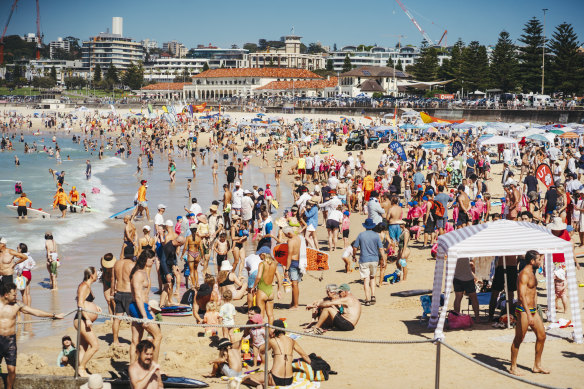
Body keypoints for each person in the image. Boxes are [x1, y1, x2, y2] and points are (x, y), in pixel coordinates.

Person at [0, 282, 63, 388]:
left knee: (12, 370)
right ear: (6, 295)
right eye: (14, 294)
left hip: (10, 341)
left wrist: (53, 315)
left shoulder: (17, 305)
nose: (17, 296)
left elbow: (35, 312)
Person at [510, 250, 549, 376]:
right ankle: (513, 367)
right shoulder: (524, 274)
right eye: (539, 260)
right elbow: (521, 296)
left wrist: (536, 309)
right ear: (532, 261)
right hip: (523, 310)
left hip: (533, 310)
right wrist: (528, 314)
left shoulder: (533, 273)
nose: (540, 261)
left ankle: (537, 366)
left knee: (542, 336)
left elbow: (534, 291)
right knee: (519, 338)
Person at [242, 319, 311, 387]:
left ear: (275, 329)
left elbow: (261, 350)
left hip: (275, 378)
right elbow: (304, 355)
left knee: (246, 378)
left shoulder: (272, 340)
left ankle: (260, 385)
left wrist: (269, 337)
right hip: (289, 380)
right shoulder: (292, 341)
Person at [129, 250, 162, 365]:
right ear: (146, 259)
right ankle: (154, 365)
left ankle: (133, 366)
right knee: (158, 336)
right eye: (152, 260)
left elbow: (144, 295)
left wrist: (149, 310)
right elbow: (138, 296)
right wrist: (144, 316)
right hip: (139, 307)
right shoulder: (138, 274)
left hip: (141, 307)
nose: (153, 262)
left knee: (136, 340)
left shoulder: (143, 272)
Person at [74, 267, 102, 377]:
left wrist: (95, 307)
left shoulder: (87, 286)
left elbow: (86, 302)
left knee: (83, 348)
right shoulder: (84, 286)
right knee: (95, 346)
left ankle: (80, 371)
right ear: (91, 275)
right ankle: (81, 368)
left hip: (83, 320)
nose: (97, 275)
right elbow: (80, 304)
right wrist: (88, 318)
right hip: (82, 320)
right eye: (96, 273)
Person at [352, 218, 386, 306]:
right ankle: (373, 296)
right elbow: (381, 248)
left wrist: (354, 256)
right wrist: (384, 259)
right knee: (372, 278)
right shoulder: (376, 235)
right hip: (374, 259)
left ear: (365, 226)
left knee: (366, 280)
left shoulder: (361, 235)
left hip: (364, 259)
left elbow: (355, 247)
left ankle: (367, 299)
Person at [111, 246, 135, 346]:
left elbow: (113, 279)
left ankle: (115, 341)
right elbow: (134, 281)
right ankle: (135, 340)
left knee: (117, 319)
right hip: (128, 293)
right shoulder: (133, 265)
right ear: (133, 254)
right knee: (134, 319)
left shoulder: (116, 263)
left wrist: (112, 292)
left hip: (118, 292)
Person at [252, 246, 283, 324]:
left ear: (263, 254)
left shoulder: (262, 264)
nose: (259, 256)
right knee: (270, 315)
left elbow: (258, 277)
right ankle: (271, 332)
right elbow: (279, 277)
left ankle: (261, 332)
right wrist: (279, 290)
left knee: (261, 315)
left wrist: (253, 287)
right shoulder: (274, 264)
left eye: (259, 254)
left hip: (262, 291)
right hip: (270, 292)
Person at [488, 256, 518, 322]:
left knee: (509, 292)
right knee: (495, 292)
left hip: (511, 265)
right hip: (503, 265)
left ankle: (509, 316)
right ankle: (490, 316)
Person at [283, 227, 302, 310]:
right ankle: (293, 302)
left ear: (289, 233)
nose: (286, 236)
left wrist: (286, 269)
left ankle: (296, 305)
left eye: (286, 235)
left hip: (293, 263)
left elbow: (289, 256)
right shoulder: (300, 238)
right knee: (296, 284)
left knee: (294, 284)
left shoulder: (291, 241)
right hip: (301, 262)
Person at [14, 243, 34, 307]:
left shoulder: (22, 256)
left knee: (23, 294)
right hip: (29, 273)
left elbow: (20, 267)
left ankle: (25, 308)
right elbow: (34, 263)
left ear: (21, 249)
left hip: (23, 274)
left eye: (17, 248)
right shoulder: (29, 256)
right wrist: (29, 267)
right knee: (28, 293)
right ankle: (29, 307)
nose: (17, 249)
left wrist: (18, 273)